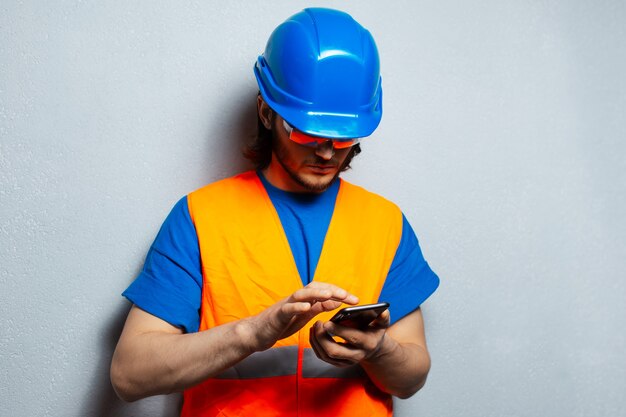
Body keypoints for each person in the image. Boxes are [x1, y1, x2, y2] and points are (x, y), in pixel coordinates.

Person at [110, 7, 439, 417]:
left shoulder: (385, 222)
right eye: (305, 131)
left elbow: (411, 379)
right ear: (267, 113)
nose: (325, 151)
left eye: (341, 137)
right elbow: (129, 375)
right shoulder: (200, 216)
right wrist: (253, 332)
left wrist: (379, 349)